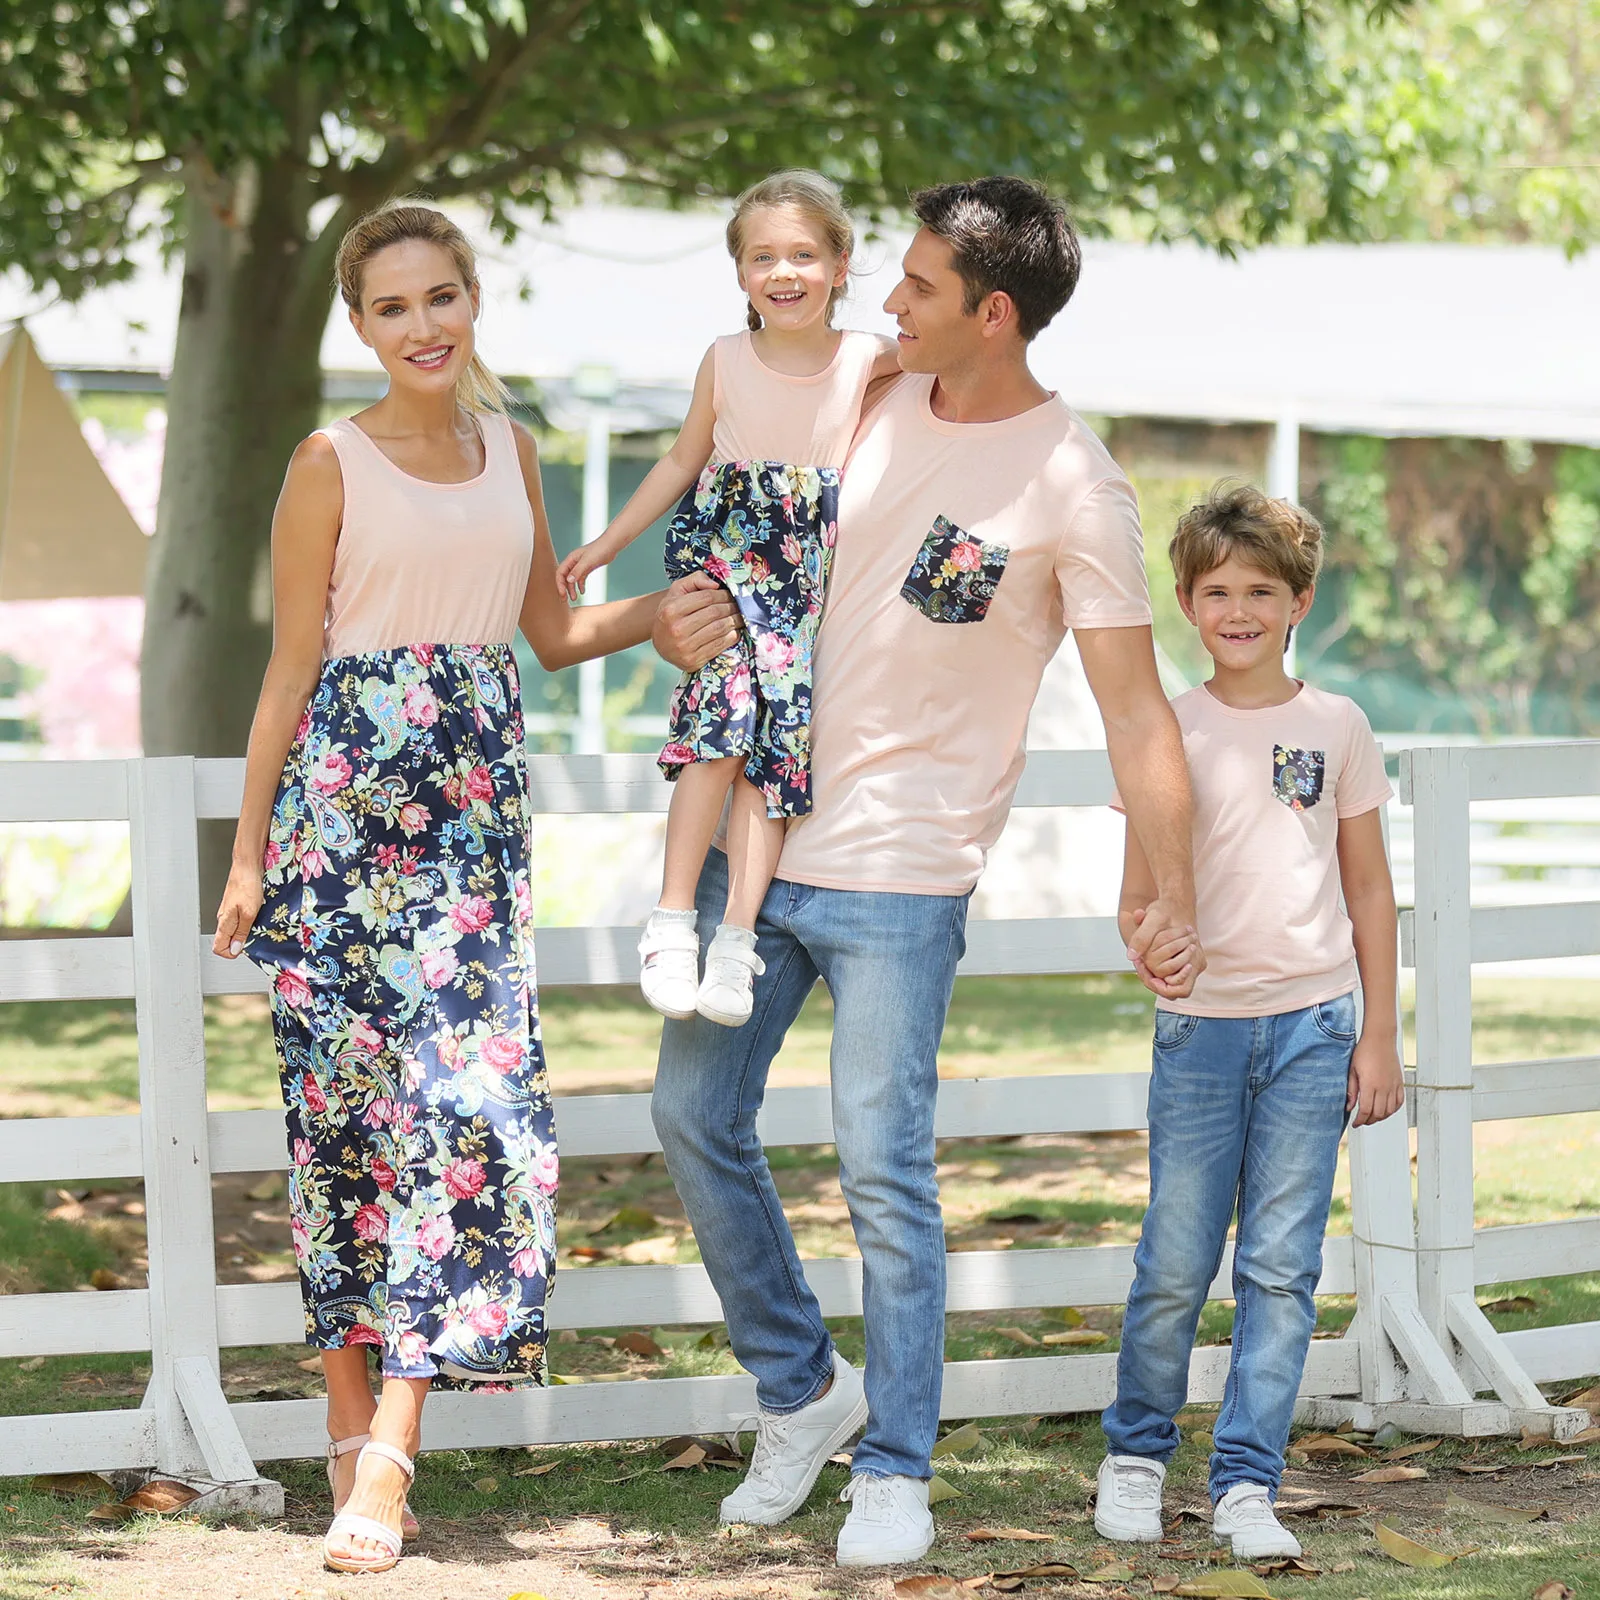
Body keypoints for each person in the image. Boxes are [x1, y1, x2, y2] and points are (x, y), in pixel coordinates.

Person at [650, 177, 1201, 1568]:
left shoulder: (1076, 484)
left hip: (904, 871)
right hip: (758, 841)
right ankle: (803, 1392)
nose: (883, 301)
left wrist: (1164, 887)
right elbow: (746, 545)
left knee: (881, 1171)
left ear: (993, 313)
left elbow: (1138, 715)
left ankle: (896, 1465)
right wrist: (680, 621)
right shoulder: (868, 398)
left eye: (915, 286)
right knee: (690, 1113)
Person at [210, 203, 701, 1575]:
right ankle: (348, 1427)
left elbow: (548, 632)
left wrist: (656, 615)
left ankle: (394, 1448)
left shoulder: (513, 451)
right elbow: (289, 672)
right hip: (339, 833)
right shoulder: (328, 463)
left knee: (469, 1119)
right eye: (392, 306)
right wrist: (246, 857)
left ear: (472, 299)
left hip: (472, 842)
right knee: (346, 1131)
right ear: (360, 326)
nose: (421, 325)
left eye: (440, 296)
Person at [1095, 482, 1406, 1562]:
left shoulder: (1338, 726)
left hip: (1315, 1031)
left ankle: (1245, 1482)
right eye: (1217, 591)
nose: (1238, 610)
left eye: (1260, 591)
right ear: (1187, 603)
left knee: (1280, 1267)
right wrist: (1150, 942)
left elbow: (1369, 889)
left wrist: (1378, 1034)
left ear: (1298, 602)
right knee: (1176, 1261)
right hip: (1202, 1032)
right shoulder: (1165, 729)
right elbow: (1136, 897)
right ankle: (1136, 1458)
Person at [557, 171, 898, 1029]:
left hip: (809, 584)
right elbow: (681, 460)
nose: (784, 272)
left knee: (772, 757)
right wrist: (607, 545)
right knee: (720, 729)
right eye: (763, 257)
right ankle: (673, 921)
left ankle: (736, 942)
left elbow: (949, 371)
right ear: (741, 273)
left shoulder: (869, 358)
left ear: (841, 265)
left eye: (804, 255)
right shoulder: (726, 359)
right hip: (732, 565)